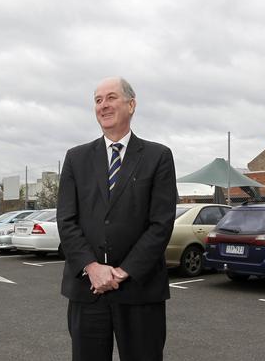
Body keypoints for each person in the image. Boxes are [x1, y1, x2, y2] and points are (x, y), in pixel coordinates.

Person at [57, 76, 177, 361]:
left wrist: (122, 272)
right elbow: (67, 219)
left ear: (131, 104)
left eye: (111, 97)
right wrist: (92, 267)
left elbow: (161, 224)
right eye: (98, 100)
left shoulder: (158, 156)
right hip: (88, 291)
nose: (103, 105)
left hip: (139, 291)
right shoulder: (76, 158)